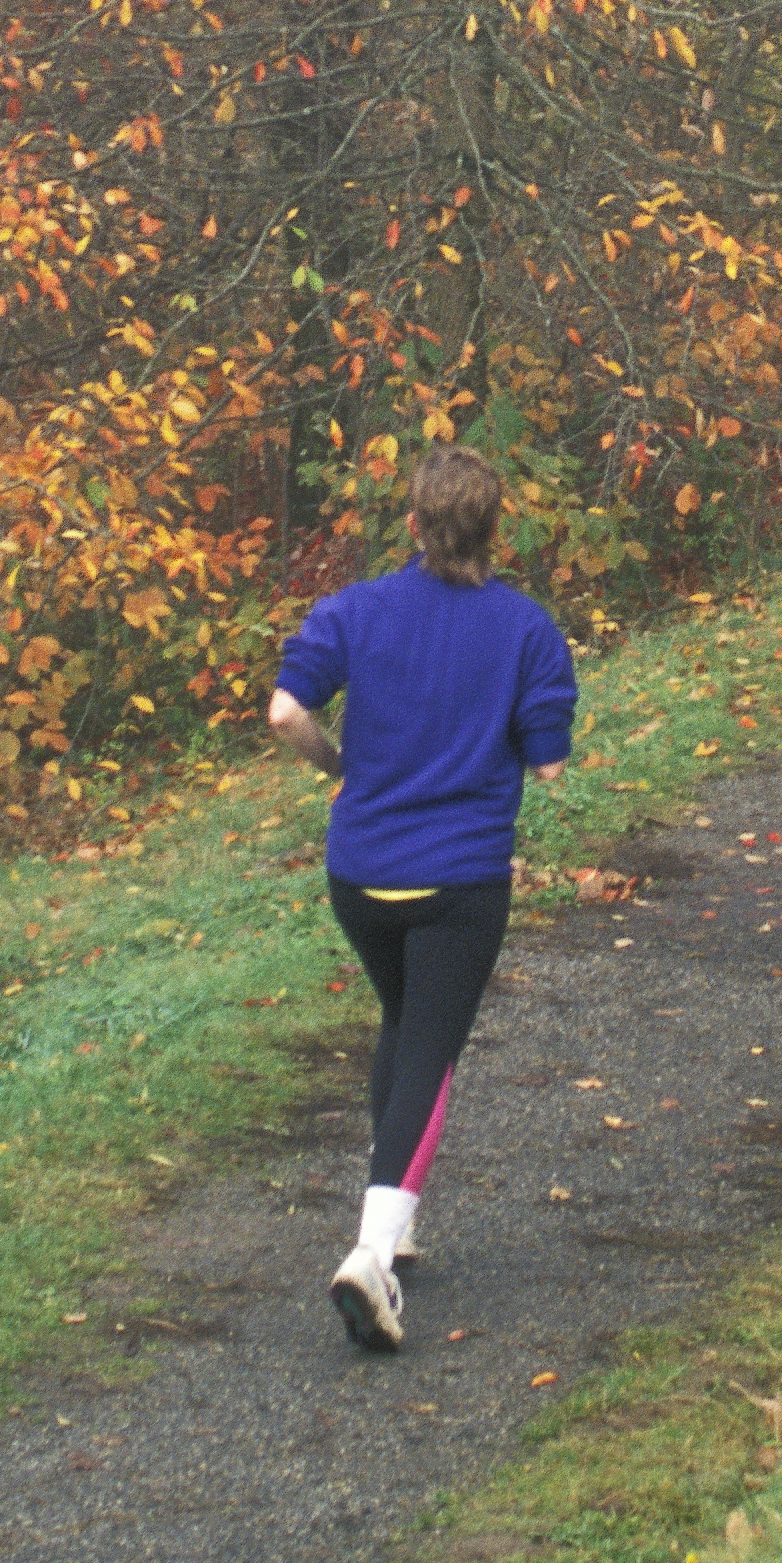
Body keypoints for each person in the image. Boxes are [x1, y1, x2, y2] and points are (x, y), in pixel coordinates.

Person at [268, 441, 575, 1353]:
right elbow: (550, 763)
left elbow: (285, 711)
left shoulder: (353, 610)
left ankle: (394, 1228)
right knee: (431, 1051)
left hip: (359, 875)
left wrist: (341, 762)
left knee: (404, 1025)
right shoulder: (526, 630)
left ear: (411, 524)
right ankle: (368, 1256)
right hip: (458, 882)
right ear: (494, 530)